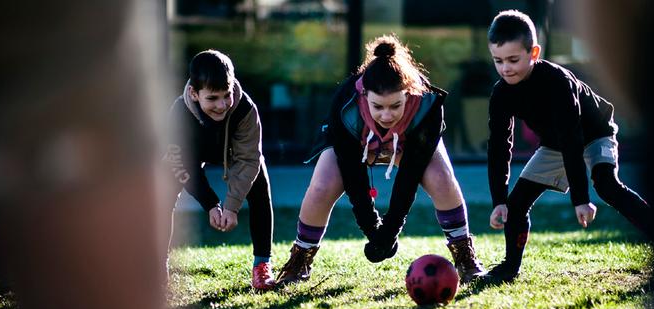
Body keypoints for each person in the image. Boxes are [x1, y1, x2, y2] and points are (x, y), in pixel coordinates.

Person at [275, 35, 487, 285]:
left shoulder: (428, 104)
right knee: (321, 187)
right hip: (358, 145)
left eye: (395, 106)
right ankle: (300, 260)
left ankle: (465, 256)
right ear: (364, 94)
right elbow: (353, 174)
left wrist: (390, 230)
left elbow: (410, 175)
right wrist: (372, 227)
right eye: (378, 107)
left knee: (442, 179)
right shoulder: (346, 102)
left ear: (408, 94)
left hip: (407, 146)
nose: (387, 115)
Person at [483, 10, 653, 283]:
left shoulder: (557, 82)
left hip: (594, 132)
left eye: (514, 59)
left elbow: (572, 138)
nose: (506, 68)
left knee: (606, 185)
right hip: (555, 144)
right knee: (516, 205)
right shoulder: (501, 93)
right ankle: (509, 268)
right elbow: (500, 146)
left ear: (534, 52)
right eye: (498, 61)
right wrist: (499, 200)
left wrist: (580, 199)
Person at [163, 50, 276, 290]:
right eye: (212, 98)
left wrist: (232, 205)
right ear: (194, 93)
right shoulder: (179, 113)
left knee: (259, 185)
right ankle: (158, 265)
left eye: (226, 95)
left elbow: (248, 160)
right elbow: (181, 164)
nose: (222, 105)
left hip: (235, 152)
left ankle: (262, 265)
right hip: (194, 153)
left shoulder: (245, 109)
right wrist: (211, 204)